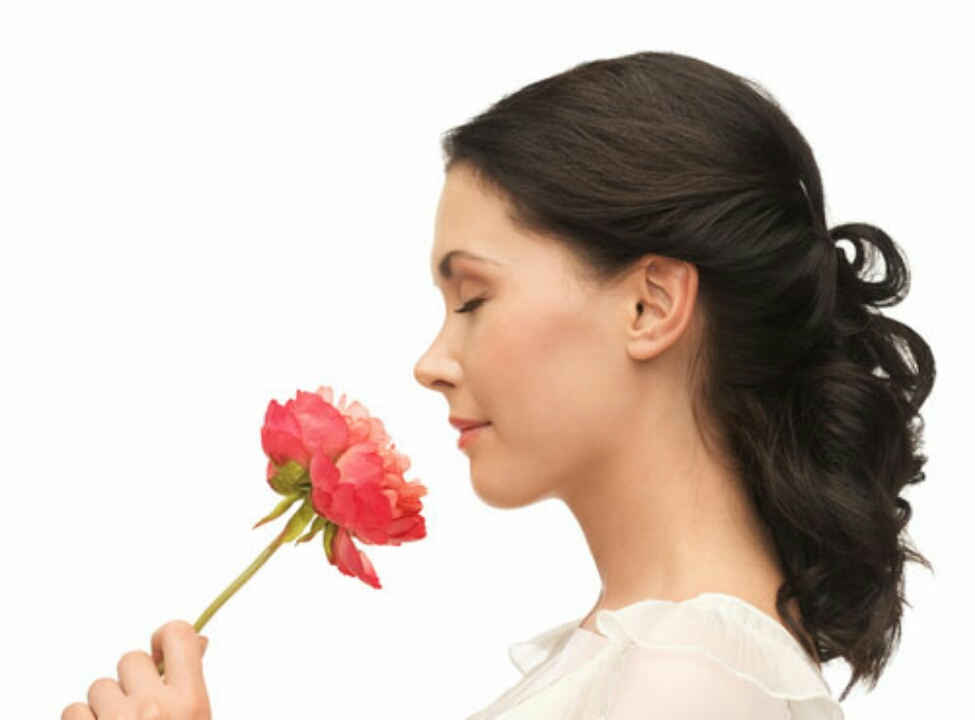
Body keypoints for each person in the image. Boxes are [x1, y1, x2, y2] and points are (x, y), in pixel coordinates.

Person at [61, 50, 935, 720]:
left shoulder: (686, 678)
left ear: (649, 304)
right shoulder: (663, 660)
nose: (431, 362)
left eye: (473, 298)